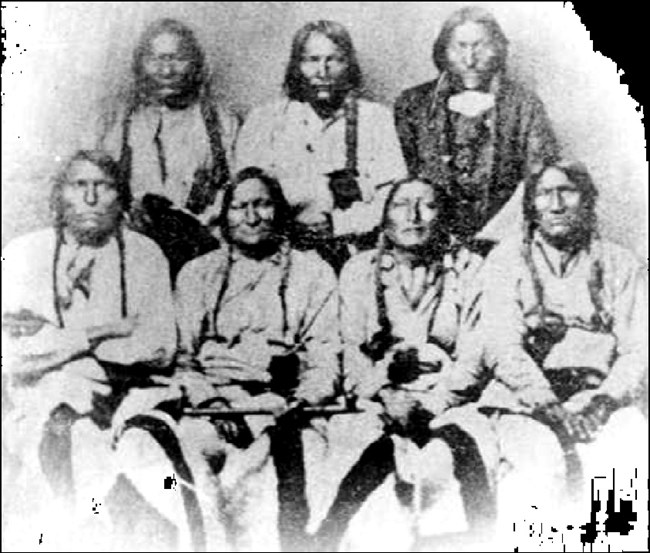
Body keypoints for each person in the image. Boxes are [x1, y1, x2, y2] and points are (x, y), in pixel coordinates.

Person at [1, 150, 184, 550]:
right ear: (58, 196)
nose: (90, 198)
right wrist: (104, 331)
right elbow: (13, 355)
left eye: (103, 187)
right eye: (78, 185)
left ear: (122, 198)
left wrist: (56, 341)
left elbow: (158, 347)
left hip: (133, 395)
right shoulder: (24, 254)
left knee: (151, 464)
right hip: (45, 398)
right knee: (68, 442)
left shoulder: (144, 254)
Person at [312, 177, 496, 551]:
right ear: (383, 218)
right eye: (400, 205)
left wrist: (432, 404)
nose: (413, 216)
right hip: (379, 398)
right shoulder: (359, 270)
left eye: (426, 205)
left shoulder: (469, 268)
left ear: (443, 215)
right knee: (352, 454)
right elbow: (349, 349)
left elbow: (475, 352)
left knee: (454, 459)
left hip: (449, 400)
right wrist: (386, 394)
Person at [475, 160, 648, 536]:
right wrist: (548, 404)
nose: (556, 205)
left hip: (594, 399)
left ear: (587, 200)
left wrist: (603, 401)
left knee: (629, 448)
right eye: (543, 194)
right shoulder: (506, 259)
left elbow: (638, 349)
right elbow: (501, 343)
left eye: (567, 191)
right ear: (530, 206)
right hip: (523, 401)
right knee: (542, 463)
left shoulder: (620, 263)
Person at [173, 167, 340, 551]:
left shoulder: (312, 272)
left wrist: (300, 402)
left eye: (262, 205)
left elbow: (325, 355)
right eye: (240, 206)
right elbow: (184, 359)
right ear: (224, 215)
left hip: (283, 405)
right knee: (191, 469)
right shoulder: (198, 274)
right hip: (212, 407)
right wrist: (209, 401)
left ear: (279, 211)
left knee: (290, 478)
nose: (251, 217)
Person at [236, 20, 407, 273]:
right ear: (296, 66)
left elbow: (394, 196)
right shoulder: (265, 119)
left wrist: (340, 224)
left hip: (357, 254)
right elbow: (243, 195)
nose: (322, 71)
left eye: (334, 60)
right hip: (278, 254)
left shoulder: (375, 118)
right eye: (312, 60)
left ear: (349, 65)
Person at [394, 6, 559, 250]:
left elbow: (538, 177)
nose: (470, 60)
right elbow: (402, 176)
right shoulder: (413, 104)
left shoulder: (524, 104)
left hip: (506, 238)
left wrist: (492, 237)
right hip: (430, 239)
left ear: (499, 49)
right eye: (460, 47)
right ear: (443, 51)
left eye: (480, 47)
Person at [97, 18, 240, 278]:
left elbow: (240, 188)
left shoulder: (220, 123)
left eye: (177, 58)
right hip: (134, 253)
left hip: (205, 252)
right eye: (156, 59)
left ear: (195, 63)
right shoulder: (121, 123)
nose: (166, 70)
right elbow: (99, 186)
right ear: (141, 64)